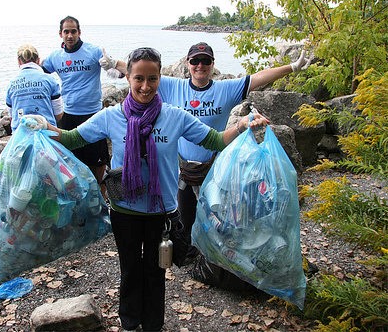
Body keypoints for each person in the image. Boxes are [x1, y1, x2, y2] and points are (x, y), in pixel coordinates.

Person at [33, 47, 269, 332]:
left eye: (153, 79)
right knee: (130, 270)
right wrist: (42, 125)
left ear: (160, 79)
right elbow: (71, 139)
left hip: (162, 212)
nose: (145, 86)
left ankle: (154, 325)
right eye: (139, 79)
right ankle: (130, 323)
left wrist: (243, 124)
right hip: (124, 210)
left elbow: (216, 141)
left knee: (156, 272)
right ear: (128, 78)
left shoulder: (175, 116)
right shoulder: (111, 117)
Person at [156, 42, 312, 265]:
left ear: (212, 64)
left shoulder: (225, 89)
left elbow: (258, 78)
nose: (200, 65)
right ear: (187, 63)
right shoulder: (173, 87)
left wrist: (291, 67)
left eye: (206, 61)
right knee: (185, 216)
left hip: (214, 166)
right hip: (182, 169)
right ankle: (189, 253)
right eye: (195, 61)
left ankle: (218, 254)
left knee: (218, 215)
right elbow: (142, 73)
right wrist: (114, 64)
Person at [41, 15, 126, 185]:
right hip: (69, 116)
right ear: (60, 34)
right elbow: (39, 74)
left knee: (98, 164)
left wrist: (112, 64)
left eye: (73, 31)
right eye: (66, 32)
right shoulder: (55, 57)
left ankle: (100, 202)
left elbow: (124, 71)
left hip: (93, 115)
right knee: (68, 164)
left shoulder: (93, 51)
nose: (70, 35)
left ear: (79, 32)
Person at [6, 44, 63, 132]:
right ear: (38, 60)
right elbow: (58, 114)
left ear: (19, 61)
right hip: (46, 132)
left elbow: (12, 116)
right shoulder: (50, 80)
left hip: (20, 134)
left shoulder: (11, 84)